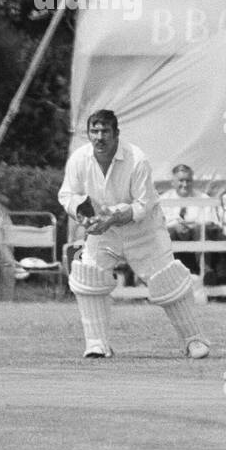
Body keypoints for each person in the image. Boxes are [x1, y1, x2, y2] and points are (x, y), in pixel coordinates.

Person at [58, 110, 210, 359]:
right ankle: (97, 344)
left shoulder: (136, 159)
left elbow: (143, 204)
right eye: (94, 131)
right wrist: (83, 216)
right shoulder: (79, 159)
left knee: (166, 280)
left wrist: (114, 217)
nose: (99, 137)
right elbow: (67, 195)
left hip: (144, 230)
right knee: (89, 276)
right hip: (103, 232)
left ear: (116, 133)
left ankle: (194, 339)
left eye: (105, 131)